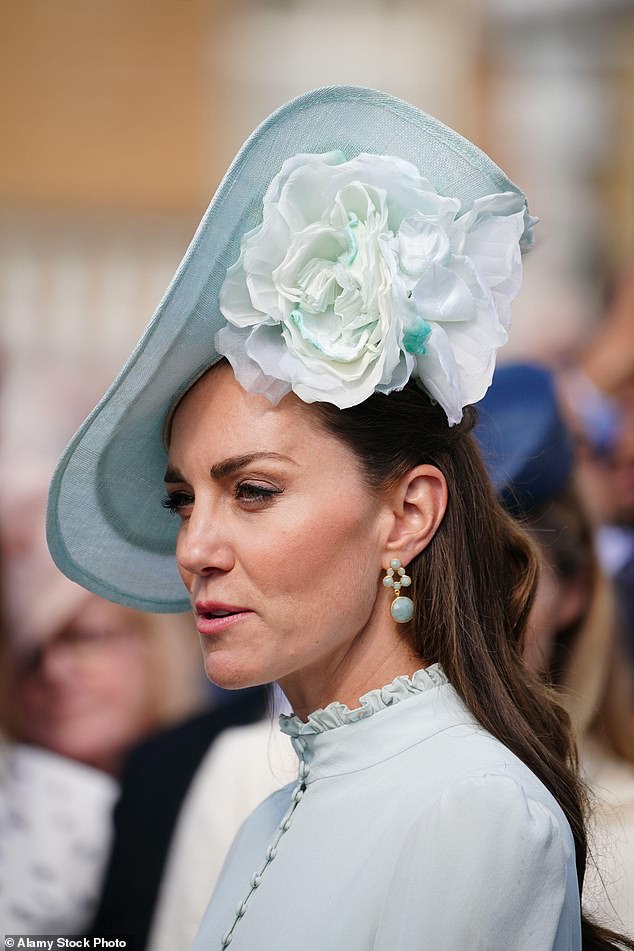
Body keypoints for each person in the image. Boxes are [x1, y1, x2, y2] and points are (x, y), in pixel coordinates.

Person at [46, 86, 634, 950]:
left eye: (253, 491)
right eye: (184, 500)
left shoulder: (471, 808)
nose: (196, 548)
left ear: (406, 513)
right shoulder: (270, 813)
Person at [476, 362, 634, 934]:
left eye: (495, 570)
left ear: (574, 590)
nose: (456, 606)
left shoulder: (626, 836)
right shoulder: (263, 779)